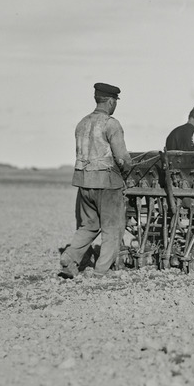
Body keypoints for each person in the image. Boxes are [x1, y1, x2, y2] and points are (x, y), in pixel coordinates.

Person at [58, 82, 133, 280]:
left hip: (83, 182)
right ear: (110, 101)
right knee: (112, 228)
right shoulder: (111, 124)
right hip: (107, 184)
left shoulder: (81, 123)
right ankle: (101, 270)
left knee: (88, 226)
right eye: (115, 101)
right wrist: (128, 168)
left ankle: (69, 258)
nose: (115, 104)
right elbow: (122, 158)